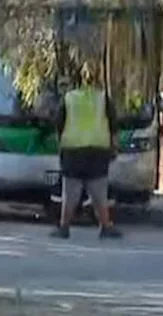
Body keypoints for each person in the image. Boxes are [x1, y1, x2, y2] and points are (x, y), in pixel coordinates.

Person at [53, 61, 123, 240]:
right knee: (99, 192)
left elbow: (58, 127)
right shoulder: (103, 99)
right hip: (98, 151)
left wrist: (60, 148)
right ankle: (106, 226)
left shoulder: (68, 99)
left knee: (70, 193)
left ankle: (64, 227)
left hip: (73, 151)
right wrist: (115, 148)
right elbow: (114, 127)